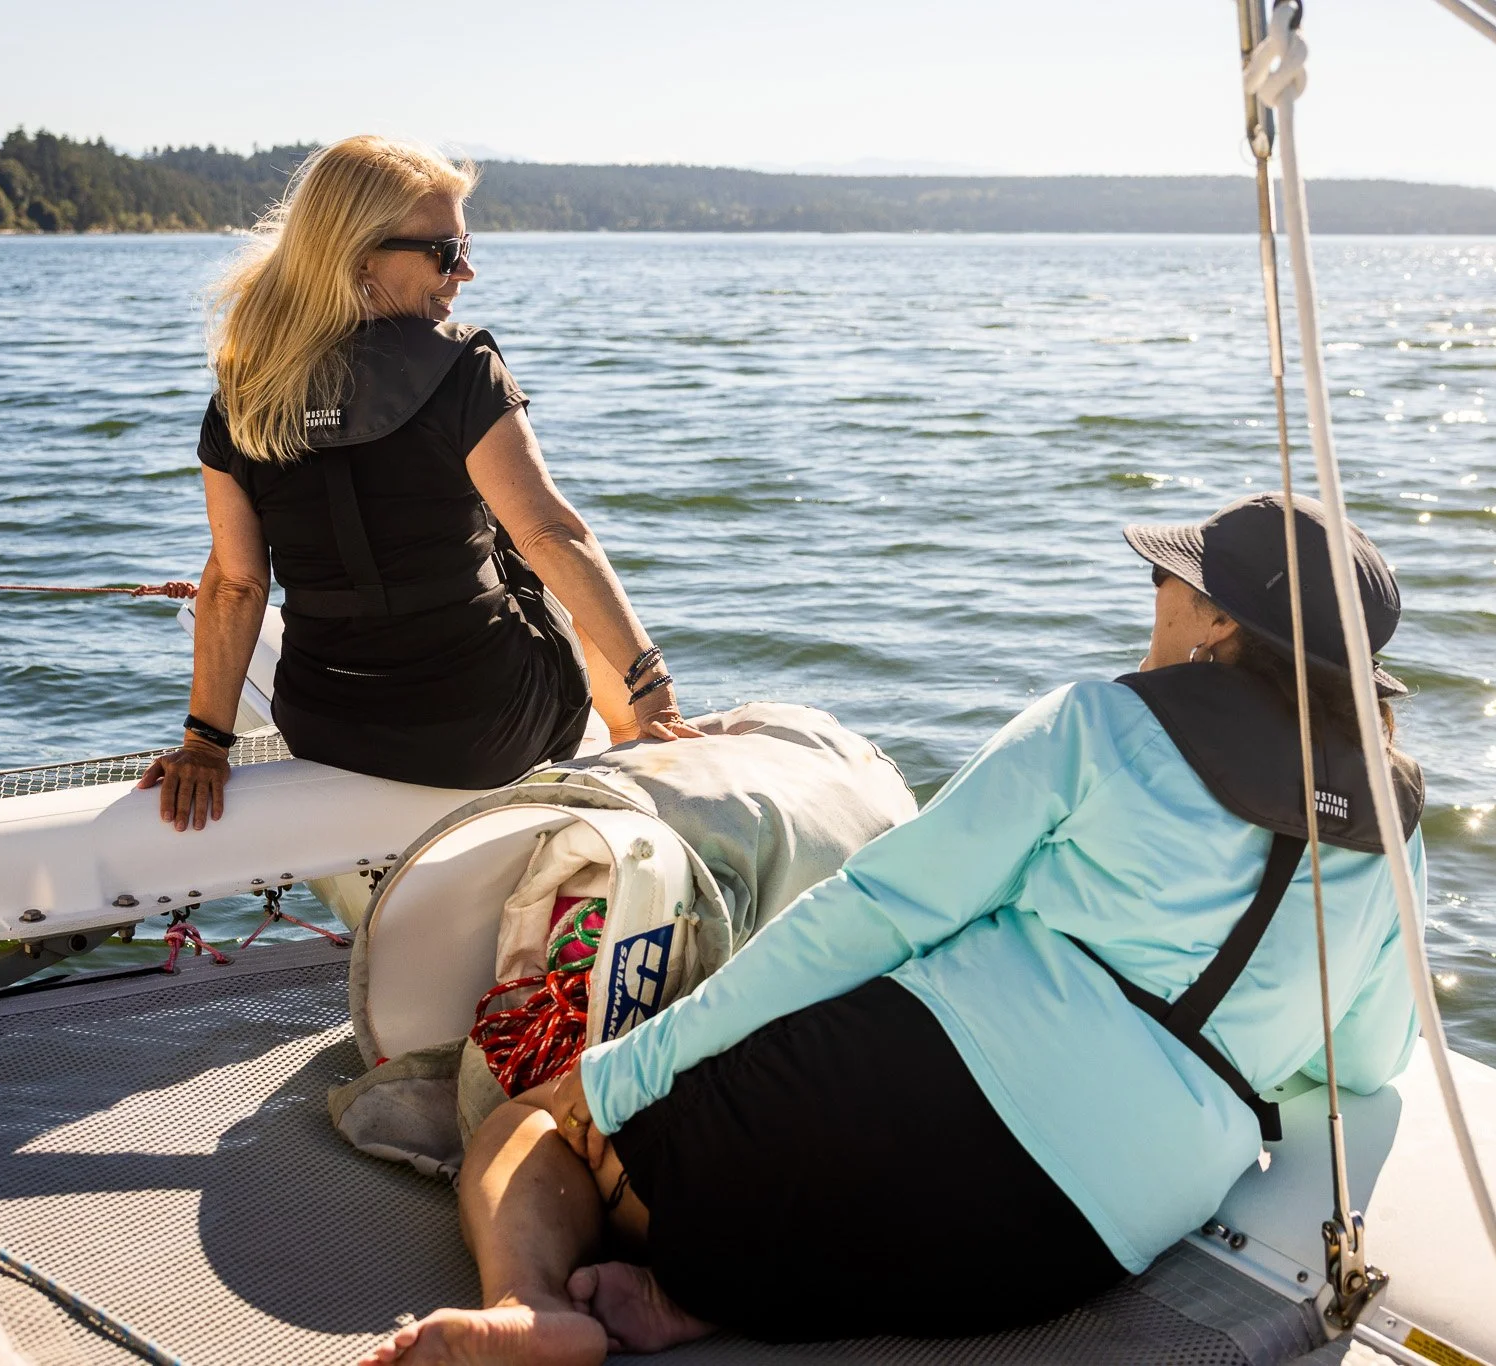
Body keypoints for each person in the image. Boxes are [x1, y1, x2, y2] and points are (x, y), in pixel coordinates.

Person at [361, 493, 1427, 1366]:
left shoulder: (1105, 724)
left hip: (911, 1119)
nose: (1148, 599)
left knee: (531, 1124)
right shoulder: (1393, 831)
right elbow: (1366, 1062)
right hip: (1076, 1246)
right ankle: (698, 1296)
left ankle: (532, 1306)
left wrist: (617, 1074)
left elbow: (871, 913)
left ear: (1218, 627)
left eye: (1165, 580)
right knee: (832, 1210)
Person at [141, 137, 696, 831]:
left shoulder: (243, 391)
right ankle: (634, 739)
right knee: (524, 535)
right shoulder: (463, 368)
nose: (466, 271)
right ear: (360, 257)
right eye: (446, 252)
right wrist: (655, 690)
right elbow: (553, 535)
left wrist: (203, 745)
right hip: (482, 734)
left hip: (324, 726)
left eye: (467, 245)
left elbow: (236, 583)